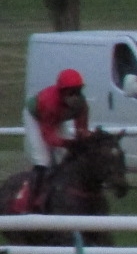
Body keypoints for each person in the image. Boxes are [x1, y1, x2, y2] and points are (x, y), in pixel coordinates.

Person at [22, 69, 90, 207]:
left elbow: (81, 130)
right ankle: (33, 199)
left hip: (56, 119)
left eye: (78, 91)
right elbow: (49, 137)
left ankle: (64, 190)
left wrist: (82, 139)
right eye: (71, 92)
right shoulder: (49, 103)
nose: (75, 96)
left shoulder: (82, 105)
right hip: (35, 118)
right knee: (43, 159)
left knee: (66, 156)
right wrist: (68, 143)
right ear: (62, 91)